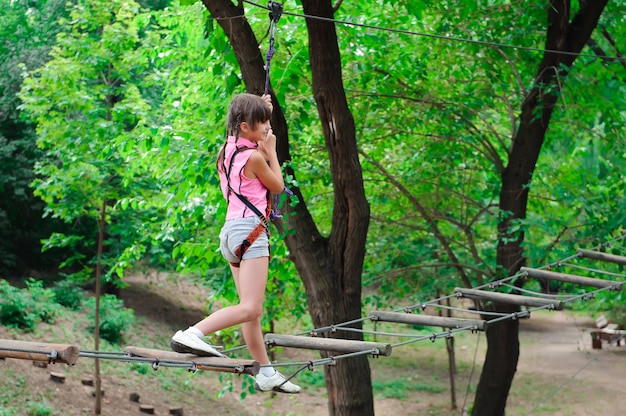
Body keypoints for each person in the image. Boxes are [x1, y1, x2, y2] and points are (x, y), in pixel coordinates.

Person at [170, 93, 300, 394]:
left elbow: (249, 143)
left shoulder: (225, 153)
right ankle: (193, 332)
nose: (267, 127)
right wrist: (272, 152)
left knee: (249, 310)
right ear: (244, 126)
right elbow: (278, 186)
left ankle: (265, 370)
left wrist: (262, 110)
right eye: (262, 122)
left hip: (231, 233)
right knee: (251, 307)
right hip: (251, 233)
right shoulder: (256, 156)